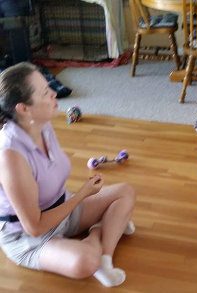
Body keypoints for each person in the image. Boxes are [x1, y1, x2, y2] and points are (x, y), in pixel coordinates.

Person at [0, 62, 136, 287]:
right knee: (84, 261)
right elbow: (35, 227)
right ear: (24, 108)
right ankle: (98, 234)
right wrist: (82, 195)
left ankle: (105, 259)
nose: (54, 93)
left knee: (126, 192)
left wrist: (78, 198)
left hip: (62, 209)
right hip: (29, 238)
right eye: (45, 92)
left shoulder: (42, 124)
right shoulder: (10, 156)